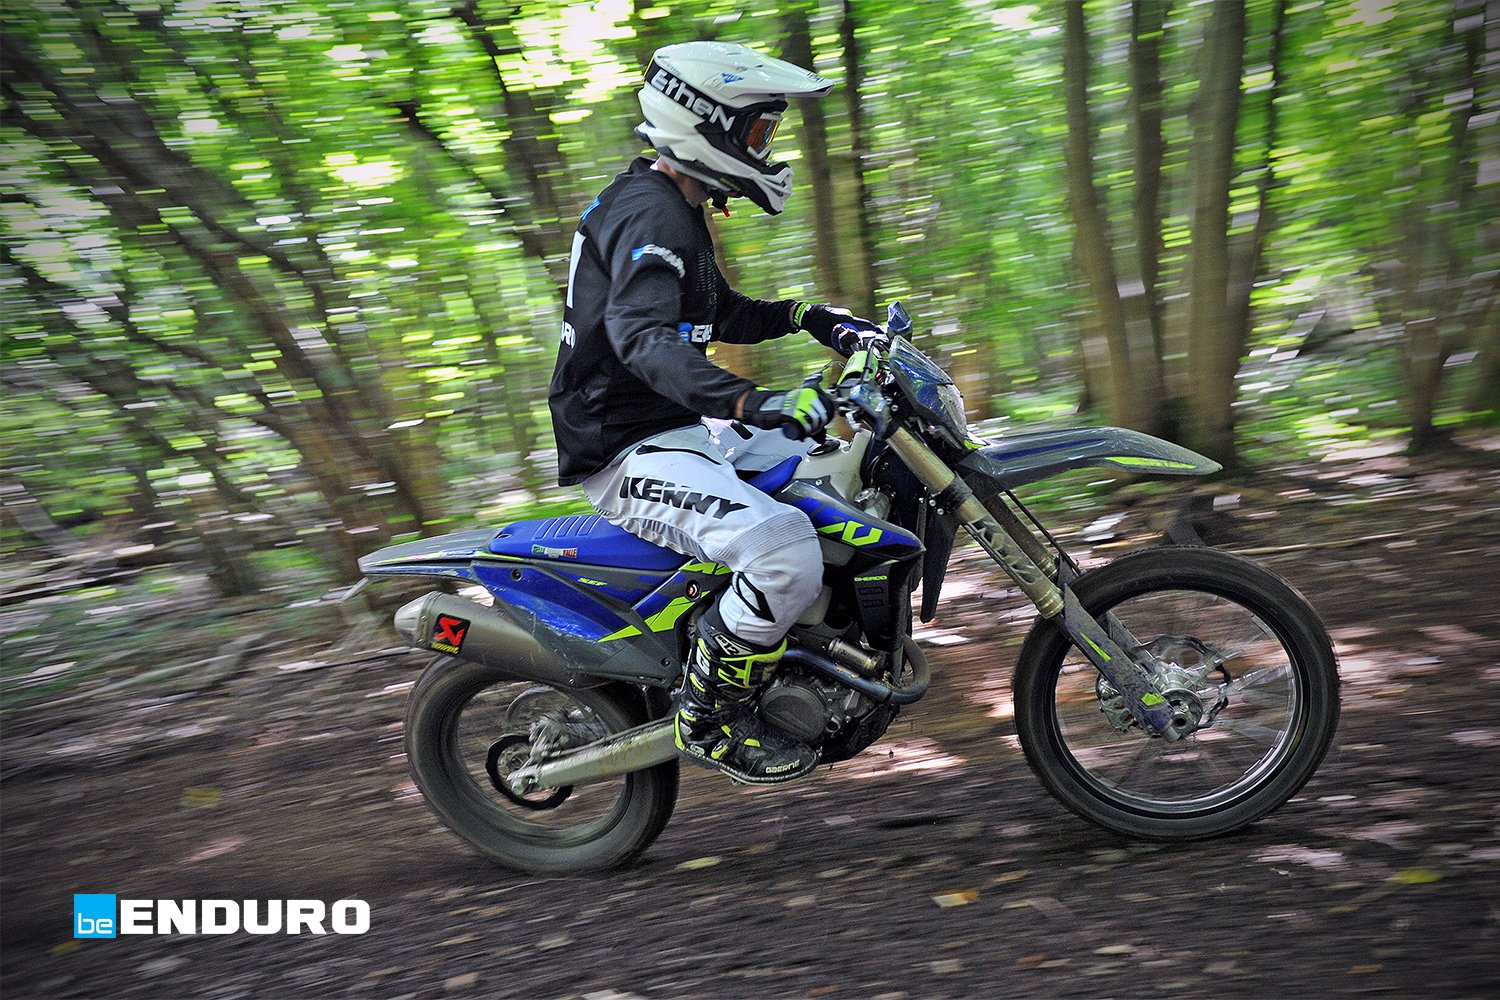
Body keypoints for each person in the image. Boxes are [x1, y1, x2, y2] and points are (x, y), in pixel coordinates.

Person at [548, 40, 888, 785]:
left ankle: (804, 660)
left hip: (679, 431)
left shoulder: (668, 203)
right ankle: (709, 719)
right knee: (783, 552)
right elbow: (642, 339)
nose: (767, 149)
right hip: (627, 449)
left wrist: (805, 316)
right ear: (705, 123)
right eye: (758, 132)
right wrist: (753, 402)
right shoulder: (652, 213)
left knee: (835, 482)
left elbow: (712, 311)